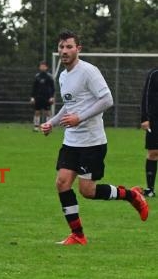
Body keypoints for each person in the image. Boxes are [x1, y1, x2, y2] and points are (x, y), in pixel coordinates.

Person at [40, 30, 148, 245]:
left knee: (87, 191)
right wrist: (51, 122)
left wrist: (79, 118)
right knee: (62, 183)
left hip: (92, 142)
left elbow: (107, 100)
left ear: (78, 49)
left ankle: (131, 195)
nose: (64, 51)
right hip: (71, 141)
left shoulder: (89, 71)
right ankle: (78, 235)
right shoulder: (63, 75)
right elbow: (69, 106)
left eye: (69, 46)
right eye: (61, 47)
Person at [140, 66, 158, 197]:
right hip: (155, 119)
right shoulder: (154, 74)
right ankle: (150, 189)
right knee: (153, 152)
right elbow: (146, 96)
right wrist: (145, 118)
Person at [30, 60, 55, 131]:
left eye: (44, 66)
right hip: (38, 97)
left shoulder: (49, 76)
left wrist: (52, 97)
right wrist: (32, 97)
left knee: (48, 112)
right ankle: (36, 127)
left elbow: (53, 88)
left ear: (46, 67)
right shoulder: (37, 76)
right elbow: (34, 88)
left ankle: (48, 127)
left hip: (47, 97)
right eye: (41, 66)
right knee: (37, 112)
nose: (43, 67)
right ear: (39, 67)